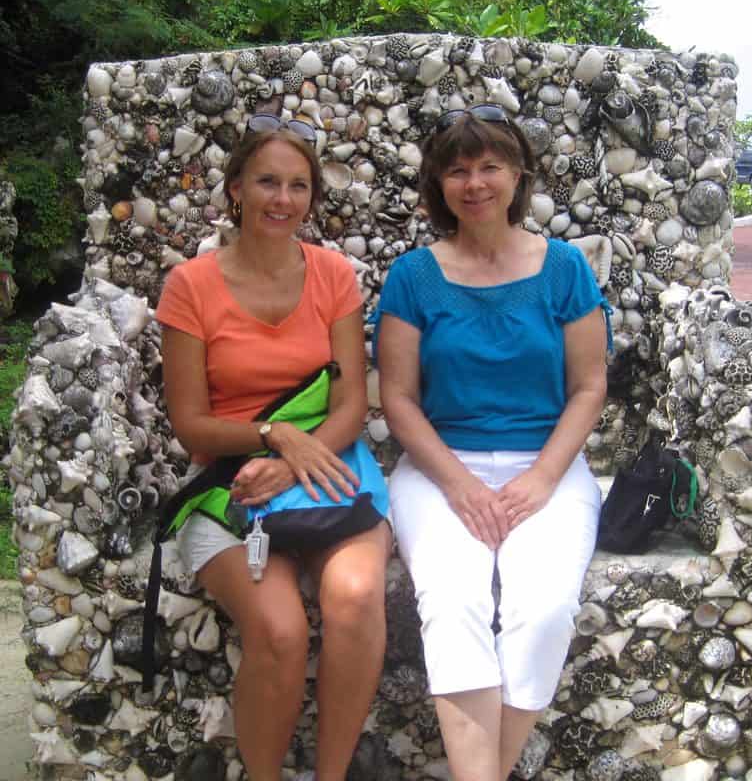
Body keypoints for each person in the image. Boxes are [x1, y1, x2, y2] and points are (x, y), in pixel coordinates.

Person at [374, 104, 610, 781]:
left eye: (489, 167)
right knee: (454, 601)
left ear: (517, 176)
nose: (474, 183)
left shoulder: (564, 268)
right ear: (438, 187)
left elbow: (589, 385)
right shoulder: (413, 277)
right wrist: (459, 484)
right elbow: (397, 398)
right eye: (457, 171)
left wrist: (540, 480)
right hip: (439, 467)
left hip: (550, 466)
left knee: (541, 609)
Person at [156, 114, 392, 781]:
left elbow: (352, 405)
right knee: (280, 630)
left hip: (330, 463)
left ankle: (331, 775)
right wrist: (270, 434)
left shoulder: (332, 276)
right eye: (266, 182)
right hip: (233, 481)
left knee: (353, 595)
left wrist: (292, 454)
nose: (282, 200)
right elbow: (191, 424)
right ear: (235, 189)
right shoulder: (191, 287)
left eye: (298, 185)